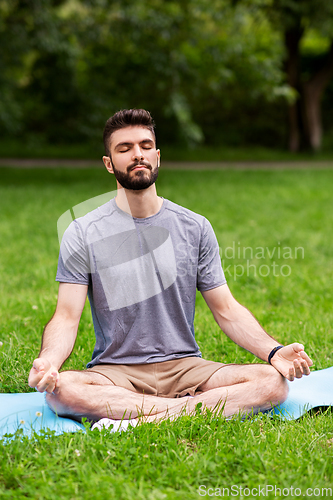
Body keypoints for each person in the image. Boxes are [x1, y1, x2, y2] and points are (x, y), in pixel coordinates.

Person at [28, 109, 312, 426]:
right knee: (62, 390)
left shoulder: (195, 227)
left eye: (145, 145)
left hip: (186, 368)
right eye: (124, 148)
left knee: (271, 382)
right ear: (109, 163)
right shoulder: (82, 232)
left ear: (158, 156)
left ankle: (140, 418)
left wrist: (274, 353)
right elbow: (66, 317)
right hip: (116, 372)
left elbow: (227, 309)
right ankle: (186, 412)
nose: (138, 154)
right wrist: (49, 362)